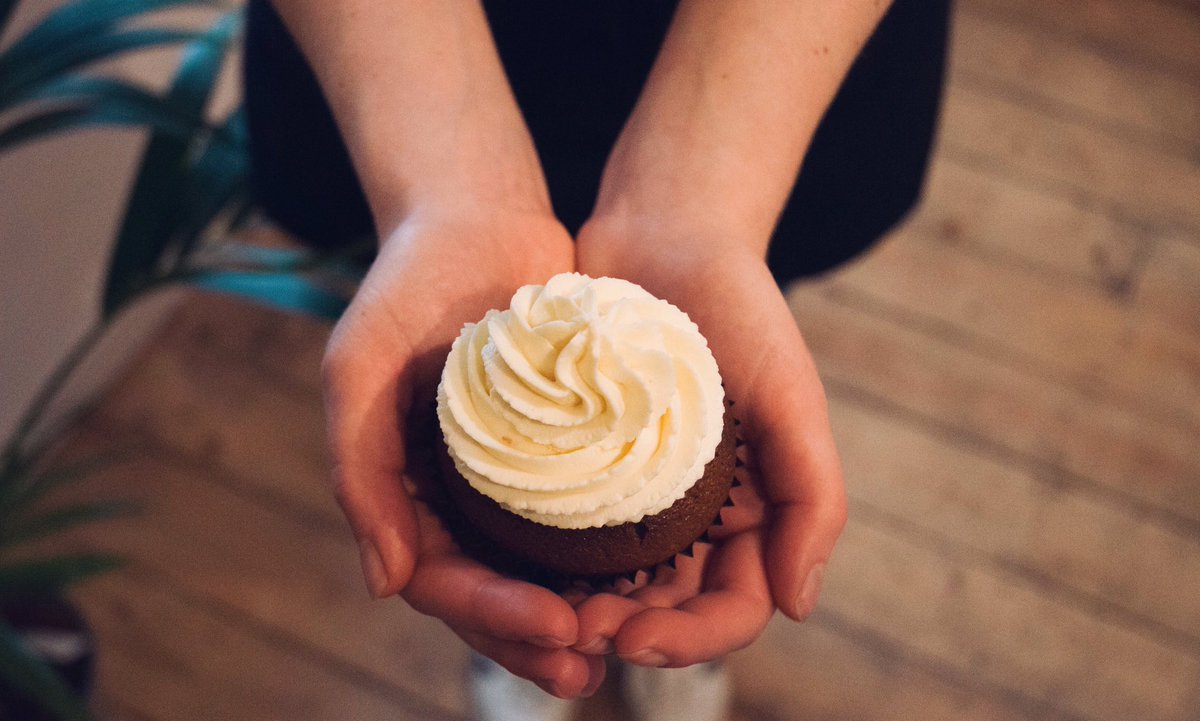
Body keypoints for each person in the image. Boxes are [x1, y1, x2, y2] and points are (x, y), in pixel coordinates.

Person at [243, 1, 950, 718]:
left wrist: (707, 205)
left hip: (776, 70)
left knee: (740, 309)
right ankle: (517, 620)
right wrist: (444, 194)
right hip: (392, 72)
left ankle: (668, 640)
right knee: (436, 376)